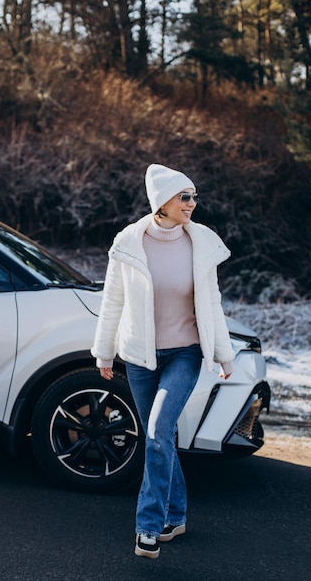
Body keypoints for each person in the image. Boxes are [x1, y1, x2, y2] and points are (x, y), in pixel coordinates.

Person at [91, 163, 235, 559]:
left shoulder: (199, 242)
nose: (192, 203)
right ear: (162, 202)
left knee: (157, 431)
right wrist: (105, 350)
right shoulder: (129, 242)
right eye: (184, 196)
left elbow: (212, 303)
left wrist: (224, 353)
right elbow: (113, 300)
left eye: (194, 197)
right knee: (162, 437)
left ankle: (148, 527)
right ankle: (176, 513)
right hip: (140, 356)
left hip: (185, 353)